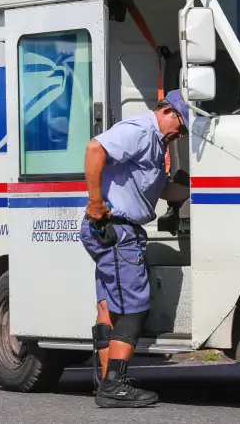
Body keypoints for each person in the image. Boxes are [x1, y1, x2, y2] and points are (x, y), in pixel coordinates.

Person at [79, 89, 190, 408]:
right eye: (180, 126)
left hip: (113, 228)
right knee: (135, 306)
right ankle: (114, 385)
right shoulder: (142, 130)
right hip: (116, 228)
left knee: (110, 307)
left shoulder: (157, 144)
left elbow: (162, 188)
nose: (180, 134)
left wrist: (198, 189)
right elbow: (94, 148)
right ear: (168, 111)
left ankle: (106, 381)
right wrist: (96, 202)